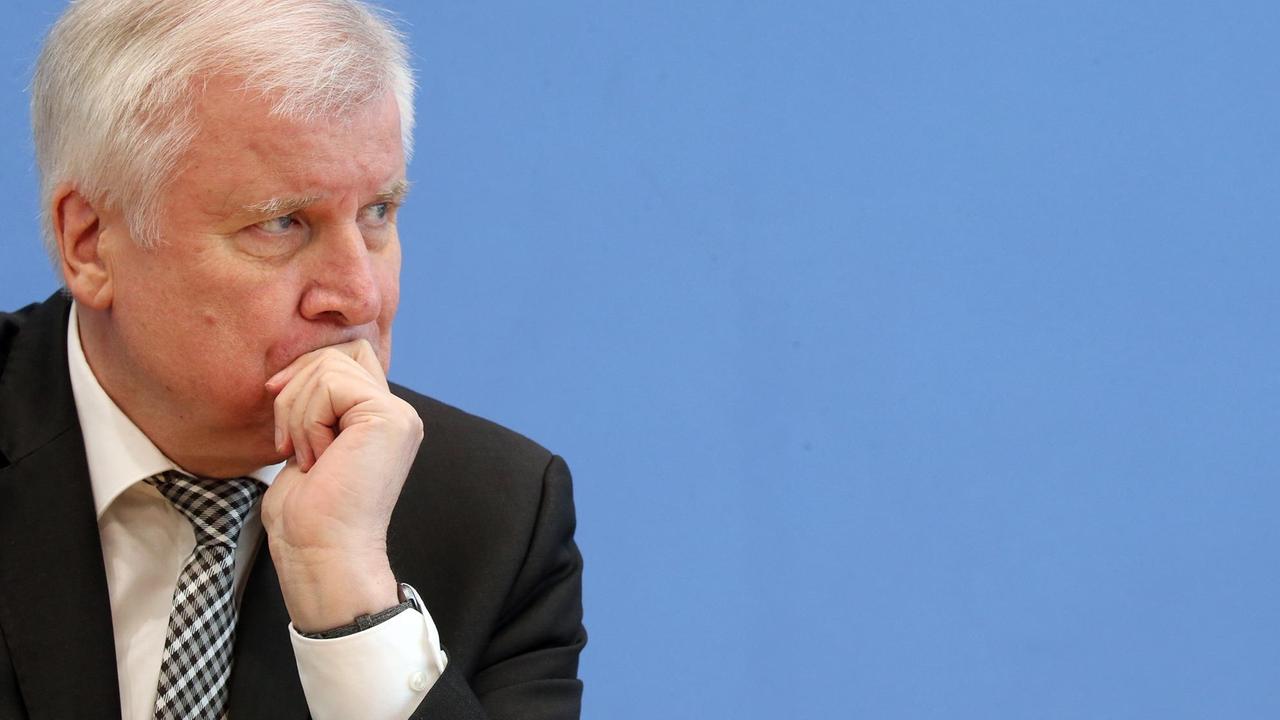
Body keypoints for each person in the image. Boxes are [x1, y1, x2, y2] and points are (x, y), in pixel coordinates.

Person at [0, 1, 586, 718]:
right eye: (281, 222)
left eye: (378, 213)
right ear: (90, 243)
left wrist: (349, 595)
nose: (359, 294)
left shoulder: (496, 519)